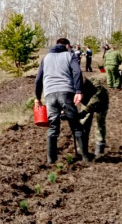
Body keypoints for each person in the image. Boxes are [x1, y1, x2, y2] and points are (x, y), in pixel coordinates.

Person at [34, 37, 88, 165]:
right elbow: (77, 71)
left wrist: (37, 98)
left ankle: (51, 160)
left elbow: (38, 80)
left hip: (49, 95)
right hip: (66, 93)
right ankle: (85, 157)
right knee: (76, 126)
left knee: (53, 128)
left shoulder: (46, 58)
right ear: (67, 46)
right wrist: (79, 91)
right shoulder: (70, 55)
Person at [78, 78, 109, 158]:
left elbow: (93, 102)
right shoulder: (76, 86)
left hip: (101, 102)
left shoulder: (99, 90)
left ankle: (100, 146)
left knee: (100, 123)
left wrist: (84, 112)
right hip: (86, 101)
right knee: (83, 123)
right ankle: (82, 147)